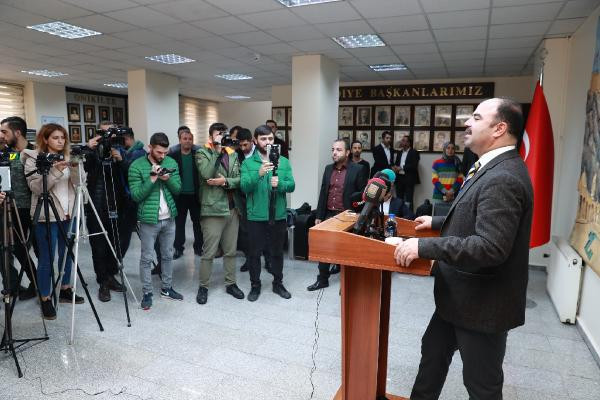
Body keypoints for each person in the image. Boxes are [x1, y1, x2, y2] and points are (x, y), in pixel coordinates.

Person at [394, 97, 533, 400]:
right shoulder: (490, 165)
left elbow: (490, 246)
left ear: (499, 128)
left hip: (482, 304)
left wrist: (424, 246)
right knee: (433, 355)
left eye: (476, 117)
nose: (467, 123)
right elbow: (477, 213)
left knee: (482, 387)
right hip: (458, 298)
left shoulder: (503, 177)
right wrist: (437, 221)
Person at [23, 123, 86, 320]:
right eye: (55, 138)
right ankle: (45, 297)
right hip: (46, 215)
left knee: (67, 255)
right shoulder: (34, 159)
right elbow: (36, 188)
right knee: (47, 258)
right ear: (45, 139)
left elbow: (80, 183)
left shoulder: (69, 156)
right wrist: (56, 171)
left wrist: (74, 168)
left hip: (69, 213)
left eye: (62, 137)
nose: (60, 141)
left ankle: (65, 288)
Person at [128, 132, 182, 310]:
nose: (162, 156)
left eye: (165, 152)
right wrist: (152, 179)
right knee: (146, 258)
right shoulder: (136, 165)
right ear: (150, 147)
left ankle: (167, 288)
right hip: (148, 220)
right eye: (159, 152)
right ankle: (147, 293)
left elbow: (178, 189)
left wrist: (167, 179)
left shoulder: (171, 162)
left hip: (169, 218)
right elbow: (136, 196)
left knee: (167, 255)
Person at [241, 125, 295, 302]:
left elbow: (292, 185)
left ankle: (278, 283)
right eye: (263, 139)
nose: (267, 142)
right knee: (254, 254)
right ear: (255, 141)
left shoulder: (284, 161)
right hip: (256, 216)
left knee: (277, 253)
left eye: (270, 138)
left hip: (278, 215)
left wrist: (280, 184)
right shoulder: (248, 163)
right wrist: (258, 174)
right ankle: (255, 285)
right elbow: (244, 187)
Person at [307, 139, 366, 291]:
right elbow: (323, 192)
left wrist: (358, 215)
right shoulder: (328, 169)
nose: (334, 152)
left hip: (347, 215)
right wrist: (319, 215)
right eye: (333, 149)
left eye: (339, 150)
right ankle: (322, 279)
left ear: (347, 152)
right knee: (324, 247)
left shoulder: (358, 169)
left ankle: (346, 279)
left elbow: (362, 196)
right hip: (329, 214)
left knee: (346, 249)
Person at [195, 123, 244, 304]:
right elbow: (207, 173)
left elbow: (239, 179)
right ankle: (203, 287)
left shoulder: (232, 154)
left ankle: (231, 284)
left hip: (232, 209)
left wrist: (225, 182)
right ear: (211, 136)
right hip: (212, 209)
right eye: (218, 133)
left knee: (231, 251)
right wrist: (216, 151)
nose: (222, 136)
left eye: (224, 133)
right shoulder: (202, 153)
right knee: (209, 252)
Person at [83, 121, 128, 302]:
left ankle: (111, 276)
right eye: (104, 133)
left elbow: (129, 175)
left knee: (116, 244)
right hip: (96, 205)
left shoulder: (120, 150)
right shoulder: (92, 151)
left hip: (117, 205)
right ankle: (102, 282)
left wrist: (121, 160)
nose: (108, 137)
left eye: (111, 133)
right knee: (99, 246)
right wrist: (90, 149)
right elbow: (83, 167)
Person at [0, 117, 38, 300]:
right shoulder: (6, 153)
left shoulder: (36, 151)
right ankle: (35, 282)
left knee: (40, 250)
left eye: (4, 131)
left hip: (37, 209)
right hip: (13, 209)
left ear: (17, 132)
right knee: (19, 249)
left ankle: (44, 288)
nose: (1, 135)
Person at [169, 126, 202, 259]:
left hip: (195, 195)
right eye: (185, 139)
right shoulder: (173, 155)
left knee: (197, 223)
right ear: (180, 140)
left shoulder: (198, 154)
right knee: (179, 224)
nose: (187, 141)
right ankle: (178, 248)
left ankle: (198, 247)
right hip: (180, 195)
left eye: (190, 139)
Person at [235, 128, 255, 271]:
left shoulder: (260, 153)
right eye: (240, 145)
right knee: (245, 230)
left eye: (245, 145)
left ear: (252, 141)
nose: (243, 148)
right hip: (242, 198)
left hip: (258, 197)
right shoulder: (236, 155)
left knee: (264, 229)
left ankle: (268, 260)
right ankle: (249, 259)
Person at [394, 135, 420, 211]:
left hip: (409, 178)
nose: (403, 142)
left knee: (409, 199)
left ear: (409, 143)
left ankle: (409, 215)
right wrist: (395, 167)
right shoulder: (399, 152)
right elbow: (397, 163)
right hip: (399, 178)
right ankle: (399, 215)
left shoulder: (414, 152)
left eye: (405, 141)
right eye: (402, 140)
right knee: (399, 199)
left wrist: (401, 167)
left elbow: (414, 165)